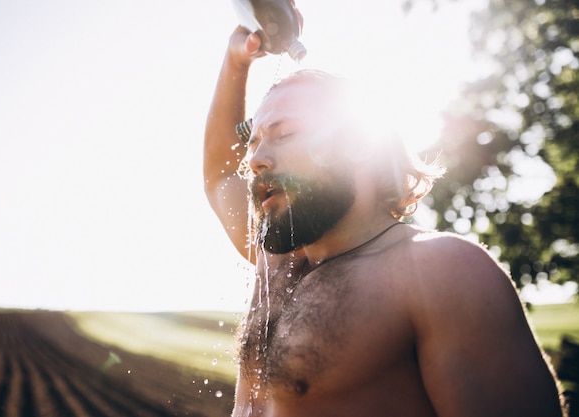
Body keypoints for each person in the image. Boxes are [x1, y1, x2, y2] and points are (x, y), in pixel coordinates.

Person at [203, 24, 567, 417]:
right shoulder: (276, 263)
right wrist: (236, 60)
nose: (254, 160)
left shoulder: (441, 271)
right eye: (254, 141)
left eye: (285, 133)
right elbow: (221, 175)